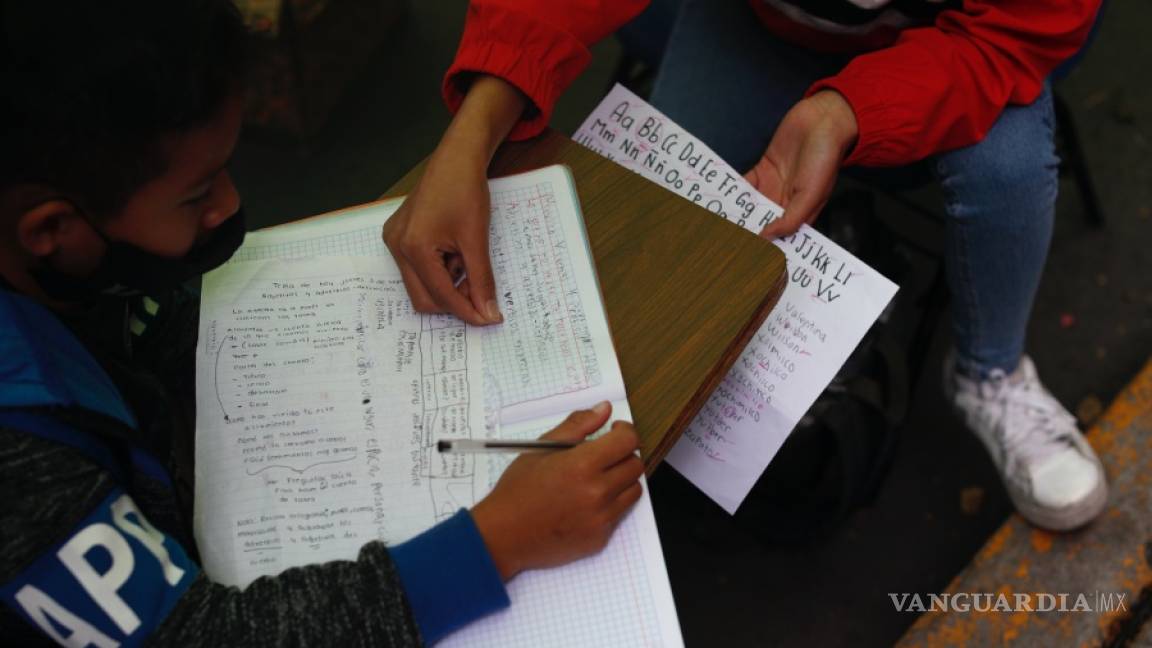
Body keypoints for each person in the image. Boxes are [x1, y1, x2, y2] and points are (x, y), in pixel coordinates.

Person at [0, 1, 645, 645]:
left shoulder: (75, 257)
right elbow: (192, 636)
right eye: (196, 194)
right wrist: (496, 542)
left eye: (230, 164)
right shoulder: (24, 472)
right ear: (51, 230)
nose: (229, 205)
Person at [385, 0, 1108, 531]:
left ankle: (990, 371)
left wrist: (849, 109)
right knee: (655, 260)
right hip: (757, 26)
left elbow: (1009, 37)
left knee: (1009, 170)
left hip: (957, 42)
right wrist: (474, 130)